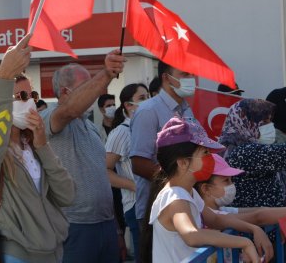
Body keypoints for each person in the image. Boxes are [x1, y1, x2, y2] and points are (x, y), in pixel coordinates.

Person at [0, 35, 75, 262]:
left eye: (31, 95)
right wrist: (4, 77)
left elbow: (67, 195)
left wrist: (43, 146)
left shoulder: (33, 145)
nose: (30, 102)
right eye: (20, 96)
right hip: (17, 253)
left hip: (54, 252)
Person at [140, 117, 273, 263]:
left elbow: (216, 219)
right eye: (205, 153)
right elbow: (192, 235)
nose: (211, 158)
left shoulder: (188, 192)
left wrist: (253, 229)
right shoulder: (175, 199)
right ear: (183, 163)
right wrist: (243, 242)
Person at [40, 50, 126, 263]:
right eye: (85, 86)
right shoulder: (50, 119)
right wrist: (105, 73)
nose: (94, 91)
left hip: (105, 224)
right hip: (74, 226)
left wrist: (116, 229)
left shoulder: (90, 126)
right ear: (64, 92)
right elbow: (68, 111)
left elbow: (101, 176)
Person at [130, 61, 195, 233]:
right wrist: (177, 183)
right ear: (166, 77)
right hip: (156, 211)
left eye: (192, 74)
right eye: (185, 74)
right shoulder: (148, 111)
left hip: (186, 203)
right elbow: (138, 163)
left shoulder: (187, 110)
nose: (191, 79)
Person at [195, 154, 286, 220]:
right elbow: (258, 216)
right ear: (206, 189)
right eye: (226, 181)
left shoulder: (223, 210)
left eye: (232, 180)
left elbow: (260, 211)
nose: (232, 185)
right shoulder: (203, 215)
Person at [105, 83, 149, 262]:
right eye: (142, 98)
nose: (148, 102)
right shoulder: (121, 133)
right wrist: (135, 186)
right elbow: (105, 171)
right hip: (136, 207)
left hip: (154, 204)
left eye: (148, 97)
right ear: (128, 105)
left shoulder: (148, 127)